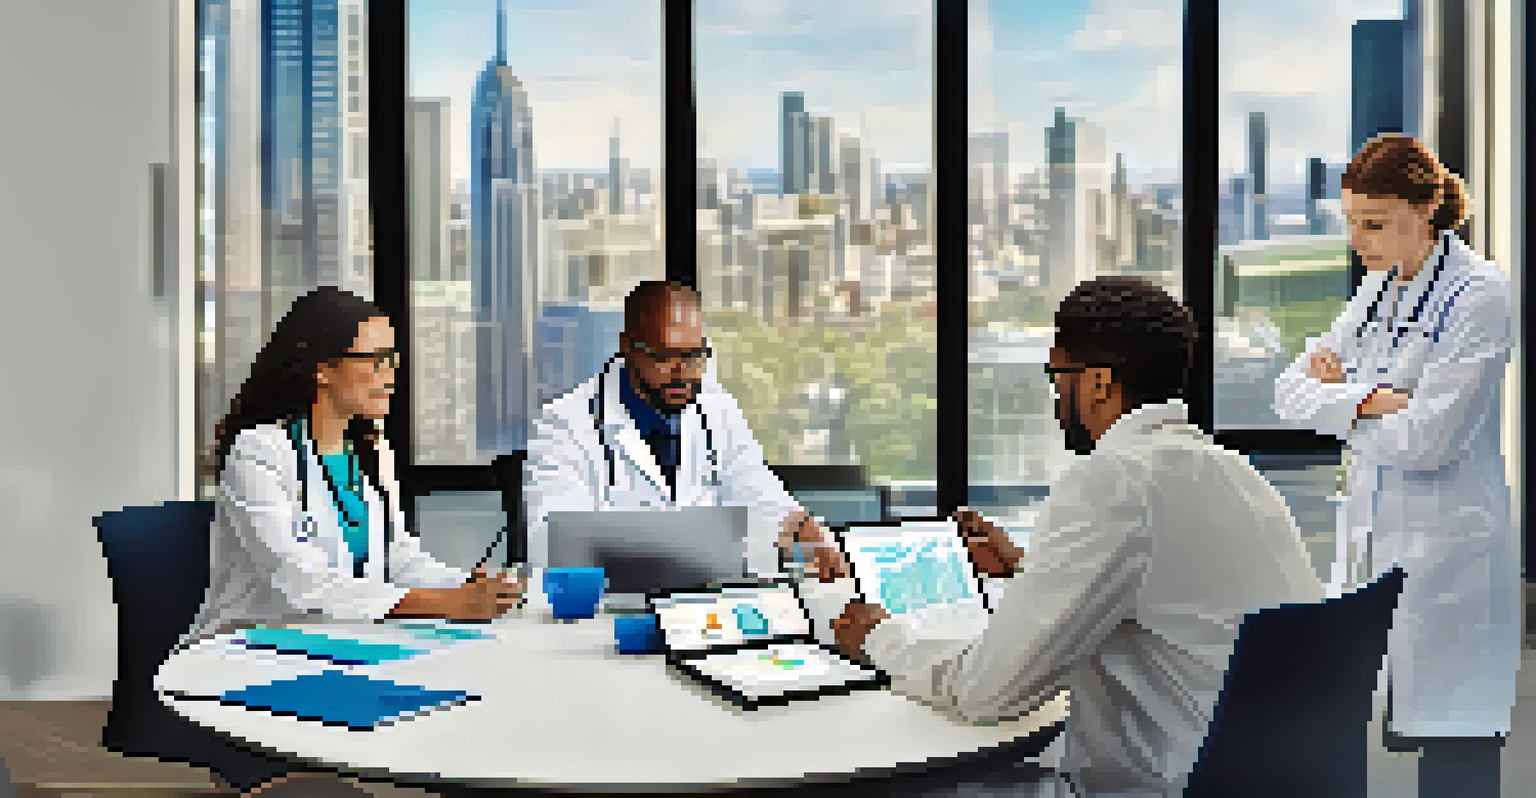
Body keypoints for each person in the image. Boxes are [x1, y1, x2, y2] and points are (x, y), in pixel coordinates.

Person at [828, 277, 1325, 797]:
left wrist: (876, 637)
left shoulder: (1114, 480)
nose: (1056, 392)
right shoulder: (1232, 471)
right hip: (1268, 775)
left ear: (1099, 383)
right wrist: (1029, 567)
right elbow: (1171, 590)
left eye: (1056, 374)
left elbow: (986, 691)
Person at [179, 287, 525, 794]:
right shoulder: (260, 453)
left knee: (469, 704)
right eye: (376, 360)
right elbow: (304, 583)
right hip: (256, 653)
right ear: (324, 369)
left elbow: (400, 557)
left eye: (395, 358)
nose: (391, 374)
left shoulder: (370, 449)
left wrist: (470, 588)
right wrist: (449, 602)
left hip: (341, 646)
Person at [1273, 134, 1516, 798]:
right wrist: (1375, 402)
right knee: (1364, 738)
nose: (1359, 240)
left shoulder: (1480, 295)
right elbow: (1288, 391)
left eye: (1374, 223)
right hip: (1377, 550)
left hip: (1451, 560)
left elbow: (1429, 441)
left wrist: (1338, 404)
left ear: (1430, 204)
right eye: (1351, 222)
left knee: (1456, 762)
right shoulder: (1378, 289)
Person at [523, 280, 846, 584]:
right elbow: (552, 541)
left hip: (705, 604)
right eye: (664, 357)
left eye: (694, 357)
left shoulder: (716, 409)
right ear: (627, 348)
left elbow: (758, 491)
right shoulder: (565, 423)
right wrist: (689, 545)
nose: (682, 375)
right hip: (611, 612)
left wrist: (801, 528)